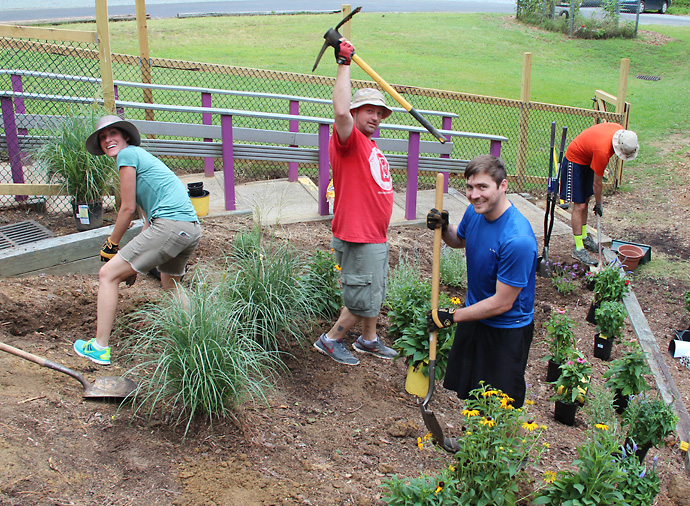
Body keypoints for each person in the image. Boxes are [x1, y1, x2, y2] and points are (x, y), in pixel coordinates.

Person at [73, 115, 202, 365]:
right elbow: (146, 222)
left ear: (126, 137)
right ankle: (198, 338)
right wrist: (135, 265)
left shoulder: (128, 155)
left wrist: (112, 244)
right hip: (190, 229)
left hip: (170, 227)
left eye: (113, 135)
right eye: (102, 137)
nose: (108, 140)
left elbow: (126, 209)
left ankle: (99, 347)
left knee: (107, 275)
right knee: (171, 284)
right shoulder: (143, 160)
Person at [426, 154, 537, 412]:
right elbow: (459, 239)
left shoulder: (517, 239)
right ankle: (476, 446)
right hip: (476, 317)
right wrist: (443, 227)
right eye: (470, 187)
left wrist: (453, 316)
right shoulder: (475, 213)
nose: (474, 195)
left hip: (506, 330)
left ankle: (509, 453)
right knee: (474, 393)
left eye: (483, 187)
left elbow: (502, 303)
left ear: (503, 186)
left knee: (501, 405)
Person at [312, 38, 397, 366]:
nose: (375, 117)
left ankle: (369, 340)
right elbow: (339, 110)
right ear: (355, 113)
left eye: (379, 112)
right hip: (358, 235)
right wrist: (344, 64)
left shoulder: (370, 145)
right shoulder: (348, 141)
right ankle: (331, 339)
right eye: (369, 111)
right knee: (363, 296)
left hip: (373, 233)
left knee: (374, 288)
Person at [559, 123, 639, 266]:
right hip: (575, 159)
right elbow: (597, 184)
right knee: (580, 205)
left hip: (589, 157)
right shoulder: (602, 152)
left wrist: (596, 201)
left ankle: (584, 237)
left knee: (586, 199)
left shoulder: (619, 131)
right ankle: (578, 248)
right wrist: (600, 203)